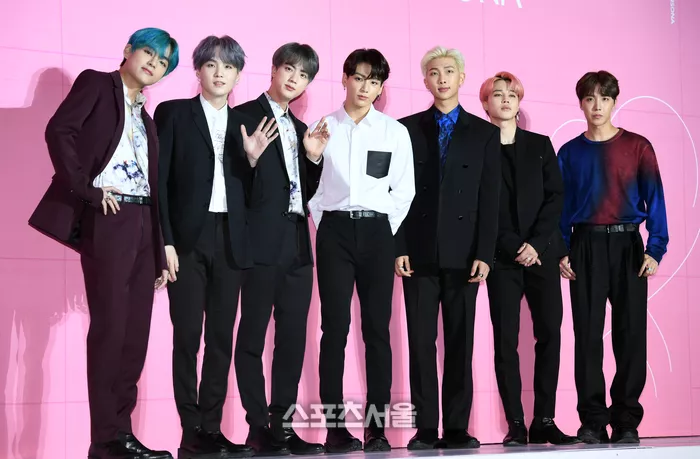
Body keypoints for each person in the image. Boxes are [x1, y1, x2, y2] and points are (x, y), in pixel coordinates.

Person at [28, 28, 179, 459]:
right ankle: (105, 440)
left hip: (143, 223)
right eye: (148, 52)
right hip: (110, 217)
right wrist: (87, 190)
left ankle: (121, 434)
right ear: (128, 51)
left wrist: (160, 247)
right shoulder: (97, 84)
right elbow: (59, 131)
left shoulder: (147, 119)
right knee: (111, 330)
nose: (153, 64)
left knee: (135, 336)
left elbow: (154, 187)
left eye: (163, 62)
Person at [154, 35, 276, 459]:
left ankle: (211, 428)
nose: (220, 73)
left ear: (238, 75)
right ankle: (190, 431)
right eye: (211, 65)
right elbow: (160, 183)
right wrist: (165, 241)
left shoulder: (247, 123)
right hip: (187, 240)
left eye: (229, 67)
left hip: (231, 241)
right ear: (198, 70)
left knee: (221, 339)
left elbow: (256, 196)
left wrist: (254, 160)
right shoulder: (174, 113)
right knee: (188, 336)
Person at [308, 48, 415, 453]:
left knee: (377, 332)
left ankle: (376, 429)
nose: (366, 87)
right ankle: (335, 429)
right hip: (334, 232)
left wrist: (382, 230)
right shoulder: (323, 127)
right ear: (345, 79)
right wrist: (328, 226)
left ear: (381, 86)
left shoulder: (393, 132)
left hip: (377, 234)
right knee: (333, 330)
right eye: (359, 78)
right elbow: (312, 190)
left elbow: (404, 191)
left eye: (374, 81)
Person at [395, 46, 500, 450]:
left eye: (449, 71)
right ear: (425, 80)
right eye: (434, 72)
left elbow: (489, 199)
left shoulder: (484, 133)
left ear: (462, 78)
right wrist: (399, 245)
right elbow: (395, 193)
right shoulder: (406, 129)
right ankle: (425, 429)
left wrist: (484, 253)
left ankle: (456, 427)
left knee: (460, 341)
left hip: (465, 254)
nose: (442, 79)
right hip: (418, 251)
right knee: (421, 344)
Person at [558, 70, 669, 445]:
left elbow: (655, 199)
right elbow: (561, 207)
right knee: (587, 336)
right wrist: (562, 250)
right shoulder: (569, 153)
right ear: (581, 104)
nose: (597, 106)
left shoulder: (638, 147)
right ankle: (592, 420)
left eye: (604, 98)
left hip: (628, 246)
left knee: (630, 334)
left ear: (614, 102)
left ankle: (626, 421)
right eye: (590, 98)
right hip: (585, 246)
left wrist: (655, 248)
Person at [233, 42, 328, 456]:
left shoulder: (301, 128)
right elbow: (232, 184)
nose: (294, 79)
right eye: (289, 69)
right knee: (252, 335)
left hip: (297, 242)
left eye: (303, 75)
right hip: (259, 242)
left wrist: (313, 160)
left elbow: (305, 191)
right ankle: (257, 427)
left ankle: (283, 428)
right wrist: (250, 160)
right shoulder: (242, 117)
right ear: (273, 69)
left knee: (292, 338)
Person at [479, 71, 578, 446]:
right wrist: (511, 245)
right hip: (501, 258)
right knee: (505, 340)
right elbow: (481, 206)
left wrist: (536, 244)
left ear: (519, 103)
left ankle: (545, 420)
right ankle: (516, 423)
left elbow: (555, 197)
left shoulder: (539, 144)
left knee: (549, 333)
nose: (505, 99)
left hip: (543, 255)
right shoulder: (477, 149)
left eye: (512, 94)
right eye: (497, 94)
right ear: (485, 103)